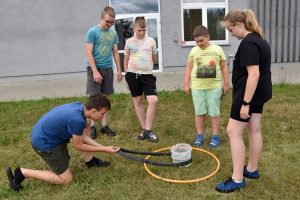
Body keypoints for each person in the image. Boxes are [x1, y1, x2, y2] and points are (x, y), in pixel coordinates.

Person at [6, 94, 120, 191]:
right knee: (66, 180)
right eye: (103, 113)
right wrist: (105, 150)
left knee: (87, 122)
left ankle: (90, 161)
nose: (103, 117)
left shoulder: (79, 107)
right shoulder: (77, 120)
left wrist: (104, 147)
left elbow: (83, 137)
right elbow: (79, 145)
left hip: (47, 136)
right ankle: (22, 172)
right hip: (44, 143)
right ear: (94, 110)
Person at [216, 9, 272, 193]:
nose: (231, 34)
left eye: (231, 30)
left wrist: (245, 103)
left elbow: (253, 74)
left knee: (233, 132)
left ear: (239, 25)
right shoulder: (259, 39)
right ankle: (252, 169)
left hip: (248, 95)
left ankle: (237, 179)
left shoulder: (249, 43)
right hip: (260, 93)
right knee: (254, 129)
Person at [184, 25, 229, 148]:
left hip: (214, 88)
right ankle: (199, 135)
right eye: (196, 41)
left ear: (208, 37)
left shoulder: (218, 49)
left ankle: (215, 137)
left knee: (214, 112)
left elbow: (224, 67)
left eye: (201, 40)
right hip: (197, 88)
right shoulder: (194, 51)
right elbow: (189, 67)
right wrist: (186, 83)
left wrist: (226, 83)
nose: (199, 43)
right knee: (199, 112)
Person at [85, 6, 122, 139]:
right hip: (94, 69)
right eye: (108, 21)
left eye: (112, 22)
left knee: (105, 99)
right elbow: (88, 52)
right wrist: (95, 71)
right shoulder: (92, 31)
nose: (110, 24)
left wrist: (119, 69)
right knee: (94, 100)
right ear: (102, 17)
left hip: (107, 69)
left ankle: (104, 126)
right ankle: (92, 127)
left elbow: (116, 52)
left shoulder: (113, 33)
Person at [124, 17, 159, 142]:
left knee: (153, 100)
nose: (141, 33)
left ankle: (148, 130)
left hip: (147, 75)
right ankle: (145, 129)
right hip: (133, 75)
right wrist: (126, 76)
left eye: (144, 30)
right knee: (138, 101)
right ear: (134, 29)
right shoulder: (129, 42)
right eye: (139, 30)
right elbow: (126, 59)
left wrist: (146, 63)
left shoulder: (151, 41)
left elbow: (154, 58)